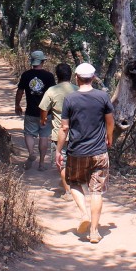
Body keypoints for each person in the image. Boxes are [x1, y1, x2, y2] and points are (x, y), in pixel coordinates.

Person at [56, 63, 114, 244]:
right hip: (99, 152)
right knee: (96, 191)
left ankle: (83, 214)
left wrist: (58, 150)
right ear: (94, 77)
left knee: (73, 182)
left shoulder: (70, 99)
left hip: (76, 151)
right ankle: (94, 232)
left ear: (76, 78)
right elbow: (110, 122)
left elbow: (64, 127)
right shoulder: (102, 96)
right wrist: (109, 137)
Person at [39, 62, 78, 199]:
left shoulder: (52, 91)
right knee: (73, 161)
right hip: (78, 133)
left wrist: (43, 120)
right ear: (71, 75)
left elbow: (44, 109)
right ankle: (70, 185)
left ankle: (68, 191)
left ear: (57, 75)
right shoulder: (77, 90)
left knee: (61, 161)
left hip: (59, 133)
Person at [15, 50, 56, 170]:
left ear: (32, 62)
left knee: (29, 134)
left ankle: (31, 153)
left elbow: (20, 91)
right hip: (46, 112)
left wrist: (17, 105)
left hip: (30, 111)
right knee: (44, 137)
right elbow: (53, 94)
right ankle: (42, 163)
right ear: (43, 61)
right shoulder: (49, 76)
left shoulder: (26, 75)